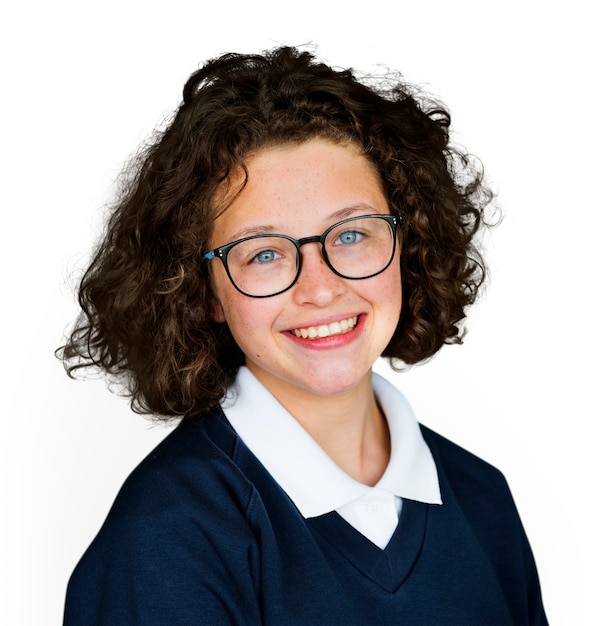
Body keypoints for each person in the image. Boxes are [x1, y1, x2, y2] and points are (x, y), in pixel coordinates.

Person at [60, 46, 547, 624]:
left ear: (407, 245)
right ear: (203, 290)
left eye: (350, 235)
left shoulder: (482, 498)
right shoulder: (167, 540)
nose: (319, 289)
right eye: (264, 252)